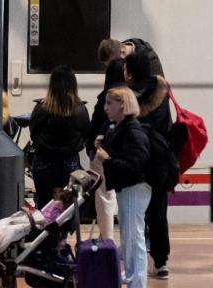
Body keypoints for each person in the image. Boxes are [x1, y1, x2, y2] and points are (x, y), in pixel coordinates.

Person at [95, 86, 151, 288]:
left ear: (123, 105)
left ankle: (138, 282)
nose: (106, 107)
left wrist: (107, 159)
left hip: (135, 189)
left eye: (110, 103)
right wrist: (105, 144)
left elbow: (135, 165)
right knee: (128, 238)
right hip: (127, 189)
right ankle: (133, 278)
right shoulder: (122, 128)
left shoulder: (133, 131)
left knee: (134, 238)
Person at [125, 50, 173, 280]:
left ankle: (136, 266)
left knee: (135, 216)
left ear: (130, 72)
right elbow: (168, 125)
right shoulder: (162, 92)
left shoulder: (127, 97)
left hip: (137, 163)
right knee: (158, 213)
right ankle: (162, 262)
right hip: (161, 160)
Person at [29, 66, 90, 209]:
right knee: (67, 205)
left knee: (44, 204)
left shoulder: (41, 108)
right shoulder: (80, 109)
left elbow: (34, 132)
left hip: (44, 162)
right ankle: (64, 231)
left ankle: (45, 231)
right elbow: (86, 134)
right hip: (69, 163)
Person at [89, 57, 125, 240]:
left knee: (104, 197)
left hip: (103, 152)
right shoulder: (131, 96)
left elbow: (95, 124)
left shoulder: (107, 96)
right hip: (125, 152)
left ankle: (108, 241)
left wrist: (91, 148)